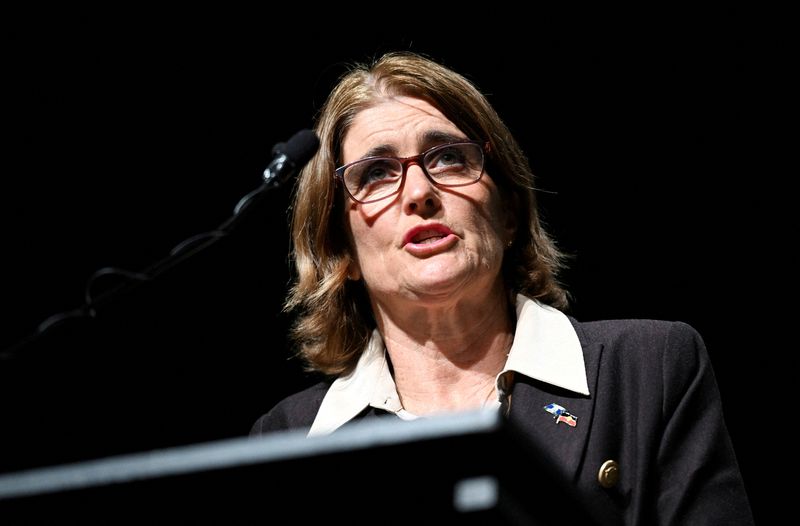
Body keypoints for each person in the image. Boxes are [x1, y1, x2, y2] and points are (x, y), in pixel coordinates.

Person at [250, 51, 754, 525]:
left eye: (448, 157)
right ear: (342, 251)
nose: (420, 192)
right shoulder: (290, 439)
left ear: (508, 213)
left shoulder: (651, 370)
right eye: (376, 174)